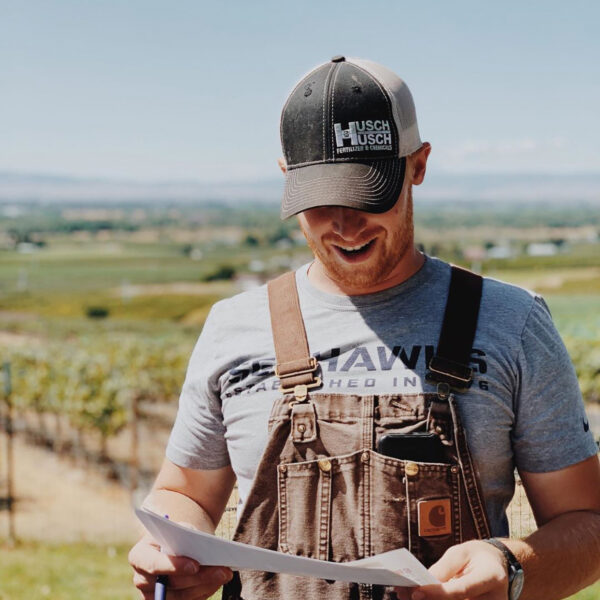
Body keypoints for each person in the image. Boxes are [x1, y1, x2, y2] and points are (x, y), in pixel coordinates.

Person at [128, 56, 600, 600]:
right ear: (286, 177)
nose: (345, 224)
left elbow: (587, 525)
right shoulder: (233, 326)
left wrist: (512, 567)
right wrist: (168, 547)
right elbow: (183, 492)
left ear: (418, 166)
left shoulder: (511, 323)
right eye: (320, 200)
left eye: (366, 194)